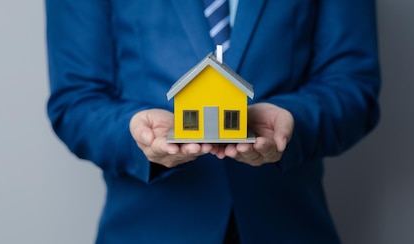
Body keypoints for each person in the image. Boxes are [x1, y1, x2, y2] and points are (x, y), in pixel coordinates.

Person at [45, 0, 380, 243]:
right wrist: (136, 133)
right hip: (150, 229)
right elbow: (77, 101)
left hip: (287, 225)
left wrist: (294, 121)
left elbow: (353, 88)